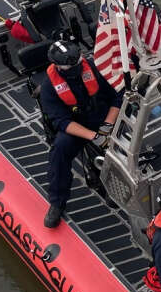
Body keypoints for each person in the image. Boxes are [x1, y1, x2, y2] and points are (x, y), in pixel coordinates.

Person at [41, 40, 122, 228]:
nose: (74, 68)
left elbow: (118, 95)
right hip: (76, 126)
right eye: (69, 66)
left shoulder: (96, 68)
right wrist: (94, 136)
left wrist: (106, 127)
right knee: (59, 151)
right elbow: (61, 121)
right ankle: (57, 202)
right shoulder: (49, 87)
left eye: (76, 63)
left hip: (104, 118)